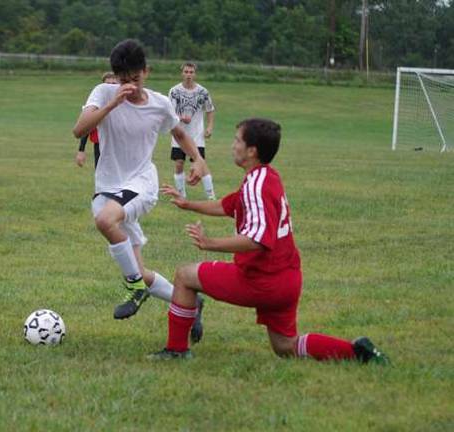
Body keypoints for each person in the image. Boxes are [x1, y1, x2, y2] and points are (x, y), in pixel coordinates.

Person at [149, 118, 389, 364]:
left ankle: (176, 350)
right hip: (288, 279)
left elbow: (258, 240)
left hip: (262, 281)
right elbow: (228, 205)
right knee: (285, 346)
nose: (232, 146)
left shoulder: (256, 184)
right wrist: (187, 204)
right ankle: (356, 352)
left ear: (252, 151)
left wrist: (210, 243)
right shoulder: (267, 177)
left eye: (237, 141)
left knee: (185, 276)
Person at [72, 40, 210, 338]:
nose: (130, 86)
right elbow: (79, 130)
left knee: (106, 221)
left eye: (135, 79)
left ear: (146, 72)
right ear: (115, 76)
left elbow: (180, 133)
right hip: (107, 186)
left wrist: (198, 159)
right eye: (123, 80)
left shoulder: (160, 103)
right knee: (139, 270)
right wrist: (112, 104)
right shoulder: (104, 93)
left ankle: (133, 288)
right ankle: (190, 303)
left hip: (141, 182)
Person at [168, 62, 216, 200]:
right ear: (182, 73)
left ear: (195, 74)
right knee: (179, 163)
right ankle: (181, 195)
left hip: (197, 135)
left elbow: (210, 110)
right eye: (186, 72)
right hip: (179, 135)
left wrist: (209, 127)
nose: (188, 75)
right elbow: (169, 112)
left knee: (200, 163)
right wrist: (181, 118)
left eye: (191, 72)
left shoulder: (203, 92)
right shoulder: (174, 91)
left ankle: (211, 196)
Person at [75, 72, 118, 169]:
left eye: (114, 84)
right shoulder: (96, 105)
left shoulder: (125, 104)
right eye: (107, 84)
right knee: (100, 173)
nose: (110, 87)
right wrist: (81, 150)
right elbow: (87, 126)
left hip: (119, 145)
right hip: (100, 144)